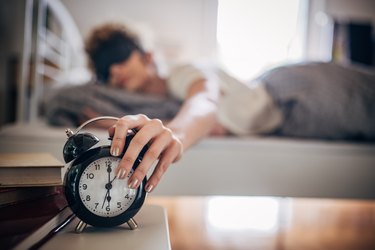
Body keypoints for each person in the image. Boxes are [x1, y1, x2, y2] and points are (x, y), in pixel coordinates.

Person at [84, 23, 375, 193]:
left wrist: (176, 134)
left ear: (147, 56)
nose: (115, 72)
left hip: (293, 90)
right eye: (105, 70)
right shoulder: (160, 100)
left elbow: (205, 101)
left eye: (119, 57)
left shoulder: (182, 72)